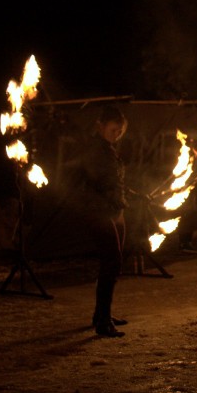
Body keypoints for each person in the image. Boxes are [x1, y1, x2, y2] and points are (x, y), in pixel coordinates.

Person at [79, 105, 130, 337]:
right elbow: (99, 181)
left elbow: (113, 180)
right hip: (98, 211)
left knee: (112, 262)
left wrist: (125, 195)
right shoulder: (95, 149)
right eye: (113, 129)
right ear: (101, 126)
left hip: (111, 210)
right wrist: (117, 199)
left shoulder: (108, 149)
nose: (117, 133)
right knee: (112, 261)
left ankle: (102, 314)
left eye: (120, 130)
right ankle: (102, 322)